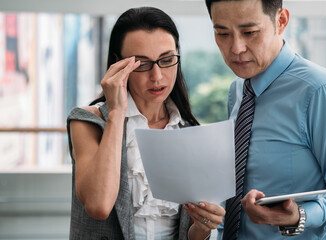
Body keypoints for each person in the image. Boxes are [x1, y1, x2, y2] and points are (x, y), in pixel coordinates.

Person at [204, 0, 326, 239]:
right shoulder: (237, 90)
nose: (236, 48)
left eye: (250, 32)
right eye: (222, 33)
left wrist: (301, 215)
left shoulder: (321, 90)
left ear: (281, 21)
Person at [66, 6, 225, 240]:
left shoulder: (190, 132)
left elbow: (190, 233)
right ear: (118, 64)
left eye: (167, 59)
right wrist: (117, 112)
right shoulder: (88, 121)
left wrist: (203, 226)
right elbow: (98, 206)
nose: (157, 77)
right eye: (141, 64)